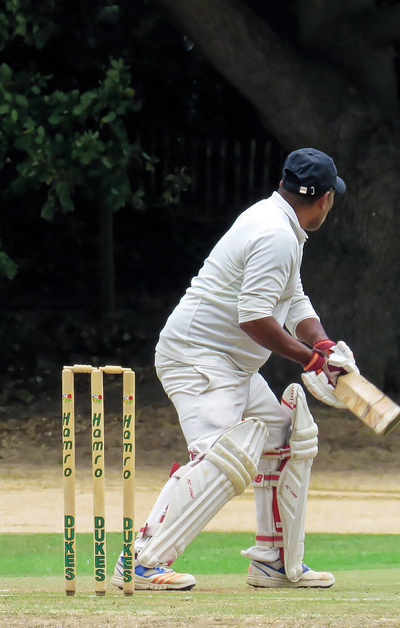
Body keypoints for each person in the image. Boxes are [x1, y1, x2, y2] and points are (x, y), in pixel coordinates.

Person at [110, 148, 357, 592]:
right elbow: (254, 317)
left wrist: (321, 343)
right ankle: (142, 561)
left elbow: (292, 298)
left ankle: (273, 562)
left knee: (286, 436)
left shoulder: (277, 221)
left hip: (233, 364)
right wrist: (308, 359)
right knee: (223, 458)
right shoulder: (275, 234)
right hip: (198, 357)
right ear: (324, 199)